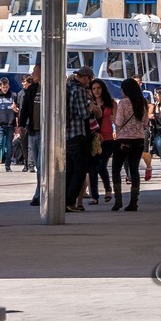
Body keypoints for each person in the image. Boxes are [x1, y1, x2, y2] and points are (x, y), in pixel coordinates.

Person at [111, 77, 148, 212]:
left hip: (124, 140)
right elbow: (145, 123)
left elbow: (119, 122)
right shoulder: (143, 102)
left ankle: (118, 200)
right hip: (138, 140)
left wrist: (113, 118)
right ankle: (134, 201)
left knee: (116, 169)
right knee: (134, 170)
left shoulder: (123, 103)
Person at [65, 65, 95, 213]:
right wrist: (91, 106)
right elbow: (84, 114)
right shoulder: (80, 91)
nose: (89, 84)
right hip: (77, 134)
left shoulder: (67, 88)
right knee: (80, 170)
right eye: (89, 81)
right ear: (84, 78)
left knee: (69, 170)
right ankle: (70, 201)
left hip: (65, 135)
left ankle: (64, 200)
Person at [87, 79, 117, 205]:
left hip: (108, 138)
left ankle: (108, 188)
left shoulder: (111, 103)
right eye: (93, 89)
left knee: (101, 165)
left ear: (103, 89)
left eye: (98, 88)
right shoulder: (89, 103)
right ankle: (94, 196)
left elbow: (116, 119)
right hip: (93, 138)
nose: (96, 91)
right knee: (92, 168)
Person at [17, 62, 41, 206]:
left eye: (35, 70)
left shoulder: (51, 89)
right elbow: (25, 108)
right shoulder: (31, 89)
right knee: (39, 165)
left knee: (42, 164)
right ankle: (40, 192)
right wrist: (21, 125)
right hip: (33, 130)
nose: (33, 73)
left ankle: (40, 193)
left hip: (46, 132)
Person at [0, 77, 18, 172]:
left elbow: (17, 112)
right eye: (3, 87)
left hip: (10, 124)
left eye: (6, 87)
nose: (5, 89)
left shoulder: (13, 95)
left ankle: (8, 165)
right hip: (0, 125)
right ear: (0, 86)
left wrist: (17, 126)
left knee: (9, 146)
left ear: (8, 86)